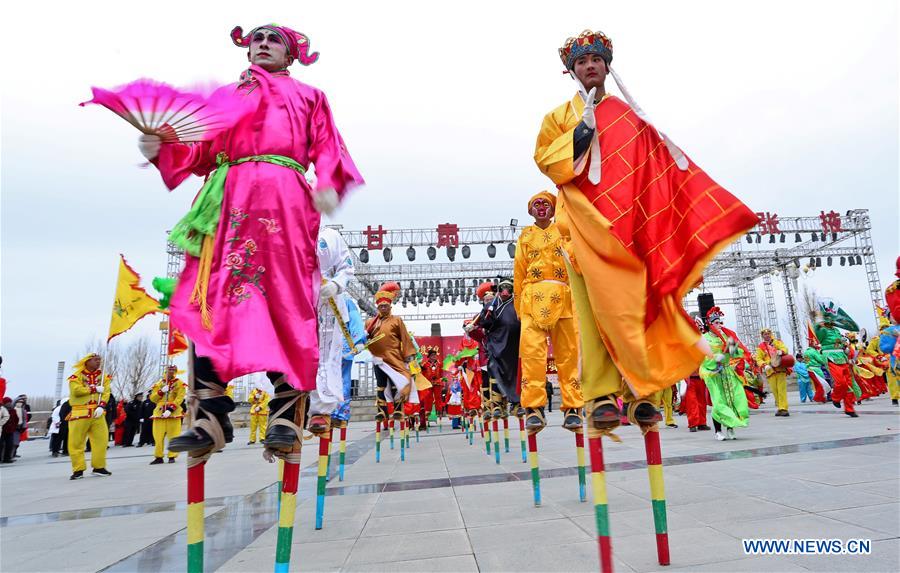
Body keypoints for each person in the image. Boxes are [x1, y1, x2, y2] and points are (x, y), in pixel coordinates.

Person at [136, 24, 364, 456]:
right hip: (226, 201)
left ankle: (285, 414)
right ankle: (209, 417)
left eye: (272, 39)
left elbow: (330, 147)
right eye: (256, 38)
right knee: (211, 301)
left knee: (284, 301)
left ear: (290, 54)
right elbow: (199, 152)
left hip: (284, 202)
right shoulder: (225, 97)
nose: (261, 44)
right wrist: (162, 148)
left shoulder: (309, 96)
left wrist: (329, 183)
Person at [534, 29, 757, 432]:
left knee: (635, 307)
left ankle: (643, 393)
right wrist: (582, 133)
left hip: (628, 225)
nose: (590, 66)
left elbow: (651, 167)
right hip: (583, 229)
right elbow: (546, 159)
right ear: (572, 71)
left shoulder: (626, 114)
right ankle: (601, 395)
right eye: (582, 62)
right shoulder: (558, 118)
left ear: (606, 67)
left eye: (596, 60)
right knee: (591, 311)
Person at [514, 191, 583, 431]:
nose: (541, 207)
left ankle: (573, 407)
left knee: (568, 354)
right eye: (536, 204)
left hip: (563, 298)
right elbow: (519, 273)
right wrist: (519, 309)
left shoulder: (564, 232)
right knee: (532, 355)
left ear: (554, 210)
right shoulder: (525, 236)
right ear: (530, 210)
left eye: (546, 204)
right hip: (532, 300)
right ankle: (534, 407)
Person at [310, 226, 358, 434]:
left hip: (328, 306)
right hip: (295, 302)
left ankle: (323, 409)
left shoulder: (330, 236)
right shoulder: (285, 228)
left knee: (326, 358)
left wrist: (337, 284)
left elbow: (347, 266)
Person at [365, 282, 417, 423]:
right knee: (381, 385)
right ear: (378, 307)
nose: (383, 308)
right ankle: (382, 412)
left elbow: (405, 338)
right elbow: (364, 339)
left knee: (397, 383)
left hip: (394, 357)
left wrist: (409, 356)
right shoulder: (370, 322)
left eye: (385, 306)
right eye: (381, 306)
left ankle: (399, 410)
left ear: (390, 306)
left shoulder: (396, 320)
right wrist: (362, 337)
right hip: (378, 359)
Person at [699, 307, 749, 441]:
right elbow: (701, 358)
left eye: (720, 322)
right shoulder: (704, 338)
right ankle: (718, 431)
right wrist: (715, 359)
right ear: (709, 324)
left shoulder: (727, 336)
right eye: (716, 323)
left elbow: (736, 354)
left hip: (727, 371)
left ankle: (730, 428)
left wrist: (732, 349)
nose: (719, 325)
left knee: (732, 399)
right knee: (719, 401)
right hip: (713, 373)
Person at [477, 279, 522, 418]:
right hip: (496, 345)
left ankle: (516, 404)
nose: (505, 291)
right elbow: (483, 324)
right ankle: (496, 406)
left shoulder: (518, 304)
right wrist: (487, 316)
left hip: (514, 345)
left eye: (508, 288)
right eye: (503, 288)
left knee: (515, 374)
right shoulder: (491, 306)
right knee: (495, 373)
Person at [66, 353, 113, 479]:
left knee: (102, 441)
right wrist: (93, 389)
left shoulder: (104, 377)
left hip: (97, 413)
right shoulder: (76, 375)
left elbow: (106, 392)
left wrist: (101, 405)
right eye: (95, 360)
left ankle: (99, 466)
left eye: (99, 360)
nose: (98, 362)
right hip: (80, 413)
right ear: (87, 361)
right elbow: (76, 390)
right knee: (76, 443)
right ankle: (78, 469)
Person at [813, 300, 860, 417]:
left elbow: (841, 343)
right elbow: (817, 329)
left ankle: (849, 409)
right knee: (841, 382)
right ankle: (836, 397)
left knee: (848, 384)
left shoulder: (836, 331)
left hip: (842, 357)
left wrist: (846, 349)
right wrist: (819, 316)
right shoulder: (822, 330)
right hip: (831, 357)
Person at [332, 297, 367, 430]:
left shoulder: (345, 302)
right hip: (322, 349)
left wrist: (358, 341)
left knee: (342, 381)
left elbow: (355, 321)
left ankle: (340, 414)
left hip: (342, 349)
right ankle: (322, 412)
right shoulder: (317, 298)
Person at [149, 366, 187, 464]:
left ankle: (172, 456)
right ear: (166, 371)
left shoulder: (180, 383)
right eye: (169, 370)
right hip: (159, 412)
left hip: (174, 412)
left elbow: (180, 398)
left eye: (173, 370)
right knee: (158, 435)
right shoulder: (158, 383)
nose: (171, 372)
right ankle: (158, 457)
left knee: (174, 435)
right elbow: (153, 398)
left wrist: (171, 409)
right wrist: (161, 392)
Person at [755, 329, 792, 416]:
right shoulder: (760, 347)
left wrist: (781, 351)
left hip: (780, 368)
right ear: (762, 336)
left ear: (771, 334)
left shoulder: (777, 342)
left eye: (768, 334)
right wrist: (764, 365)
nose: (767, 335)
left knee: (781, 389)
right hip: (770, 370)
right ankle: (780, 407)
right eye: (765, 334)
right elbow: (758, 359)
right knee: (775, 390)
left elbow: (785, 349)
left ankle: (783, 408)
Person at [0, 398, 17, 463]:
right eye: (7, 402)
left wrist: (14, 426)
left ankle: (7, 458)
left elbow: (16, 419)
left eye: (10, 402)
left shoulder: (13, 410)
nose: (9, 403)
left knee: (10, 445)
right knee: (1, 445)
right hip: (2, 430)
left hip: (10, 430)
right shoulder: (2, 408)